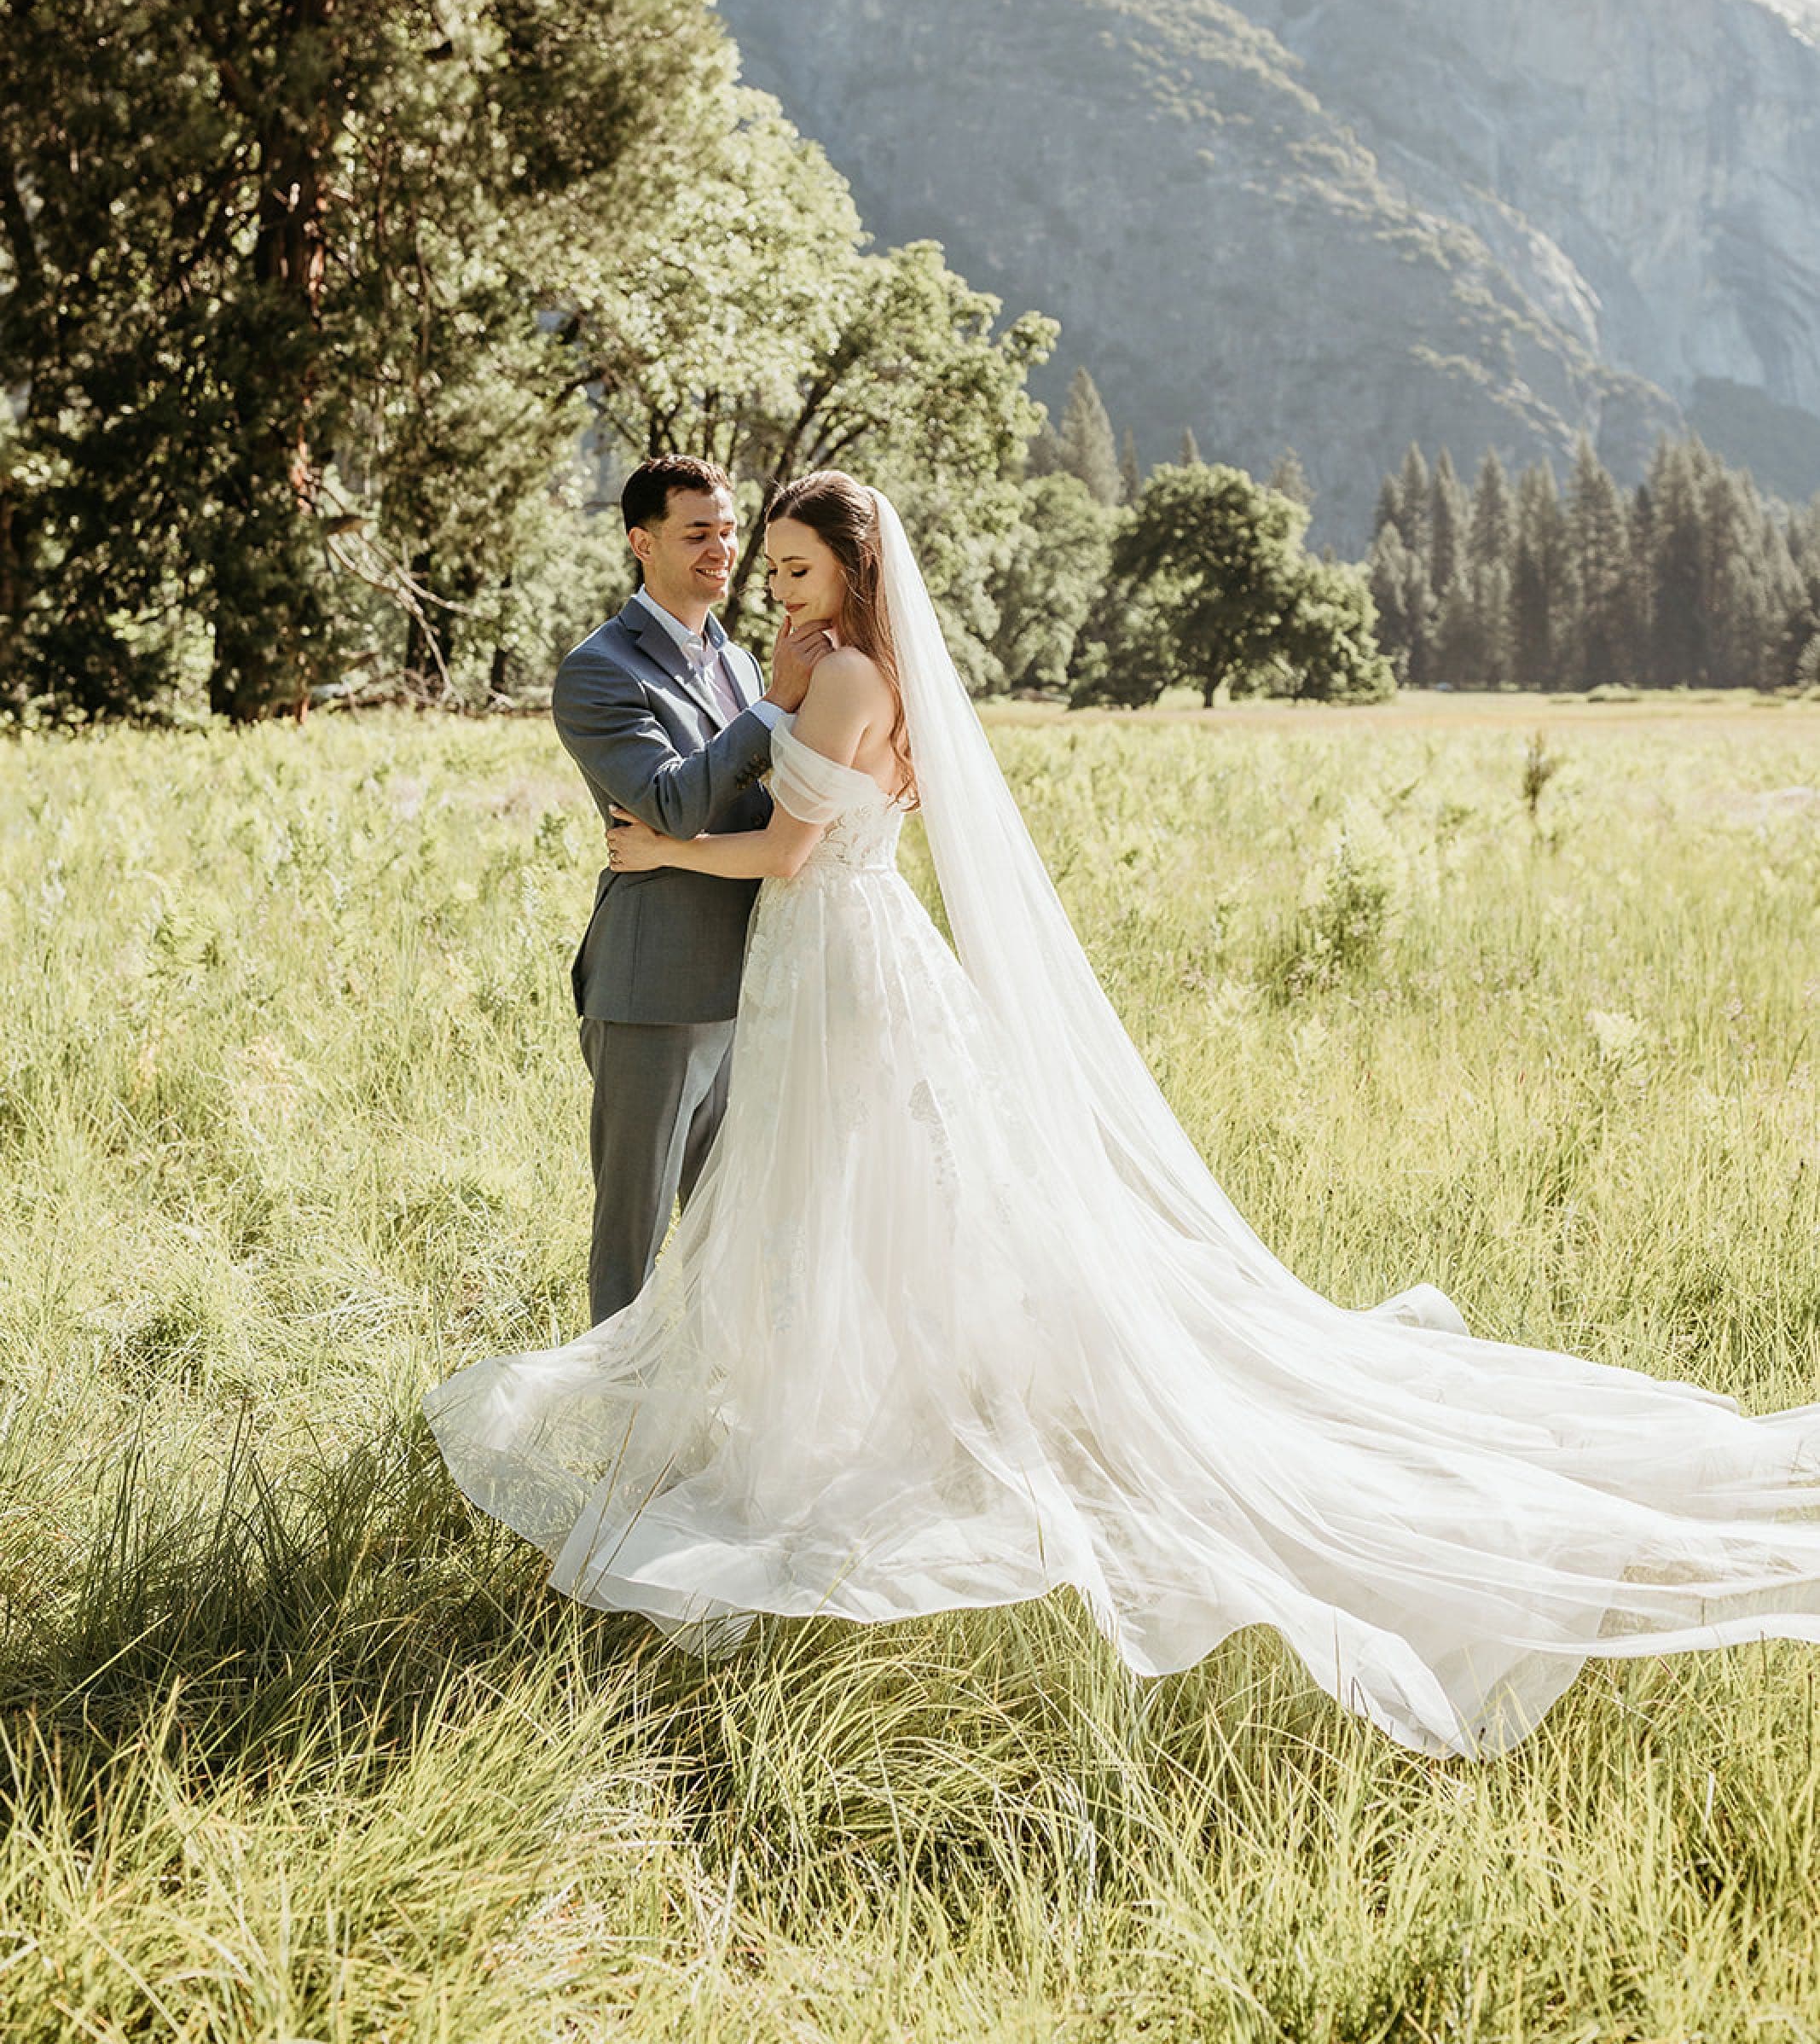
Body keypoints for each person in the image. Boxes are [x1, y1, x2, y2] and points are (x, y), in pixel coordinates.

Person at [429, 472, 1820, 1758]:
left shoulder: (840, 675)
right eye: (767, 567)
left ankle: (815, 1429)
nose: (773, 589)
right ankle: (815, 1404)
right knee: (843, 1195)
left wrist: (665, 844)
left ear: (853, 571)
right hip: (824, 959)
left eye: (795, 567)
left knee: (837, 1193)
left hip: (831, 951)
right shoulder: (838, 667)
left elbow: (792, 850)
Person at [548, 454, 832, 1323]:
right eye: (697, 532)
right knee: (631, 1240)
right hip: (656, 985)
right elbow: (669, 800)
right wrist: (778, 704)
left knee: (724, 1225)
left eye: (729, 530)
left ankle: (702, 1395)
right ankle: (614, 1406)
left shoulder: (738, 660)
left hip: (751, 977)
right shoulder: (599, 670)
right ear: (642, 543)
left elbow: (762, 799)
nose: (722, 549)